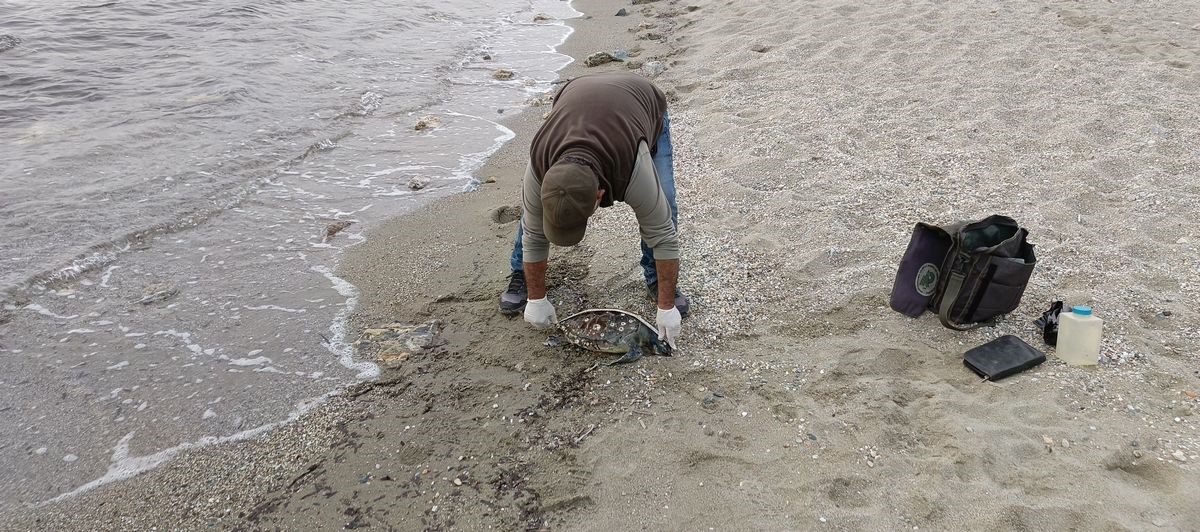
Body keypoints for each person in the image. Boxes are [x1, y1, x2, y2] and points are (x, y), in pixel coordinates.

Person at [498, 72, 689, 348]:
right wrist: (537, 298)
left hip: (641, 103)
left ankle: (655, 278)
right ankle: (521, 274)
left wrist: (666, 307)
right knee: (533, 214)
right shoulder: (540, 165)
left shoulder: (634, 168)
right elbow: (534, 233)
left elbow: (663, 236)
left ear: (600, 196)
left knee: (665, 204)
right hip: (574, 97)